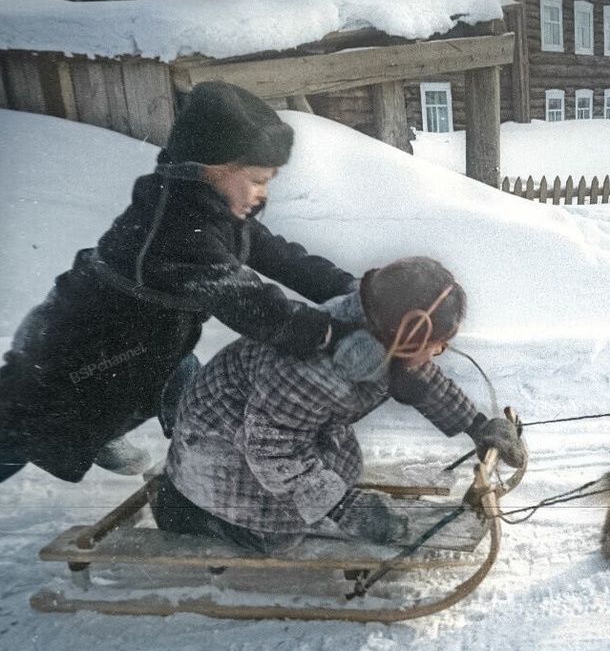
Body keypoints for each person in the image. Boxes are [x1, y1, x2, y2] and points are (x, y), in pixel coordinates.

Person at [0, 81, 359, 484]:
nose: (262, 193)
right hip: (74, 354)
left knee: (196, 400)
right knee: (22, 430)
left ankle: (140, 447)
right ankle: (104, 434)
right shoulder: (178, 228)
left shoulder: (208, 208)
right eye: (258, 179)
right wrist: (335, 332)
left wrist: (356, 293)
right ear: (213, 169)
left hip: (146, 348)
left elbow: (280, 256)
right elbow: (251, 305)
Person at [149, 256, 526, 555]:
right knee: (273, 537)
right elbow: (272, 450)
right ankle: (187, 510)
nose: (441, 351)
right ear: (410, 333)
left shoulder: (377, 333)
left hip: (259, 431)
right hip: (220, 452)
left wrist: (477, 425)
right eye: (438, 342)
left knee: (336, 475)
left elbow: (418, 377)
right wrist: (347, 509)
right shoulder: (311, 373)